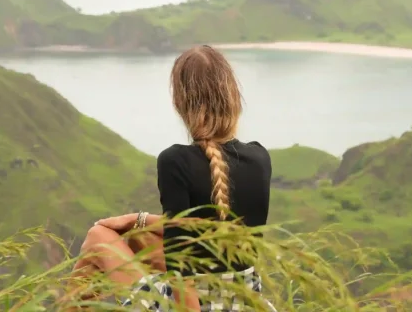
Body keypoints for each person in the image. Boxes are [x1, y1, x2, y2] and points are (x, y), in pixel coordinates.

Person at [70, 45, 273, 310]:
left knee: (99, 235)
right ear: (234, 97)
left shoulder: (175, 161)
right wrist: (139, 220)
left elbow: (182, 271)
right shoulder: (260, 157)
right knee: (136, 238)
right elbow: (211, 228)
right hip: (244, 298)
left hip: (191, 305)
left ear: (180, 103)